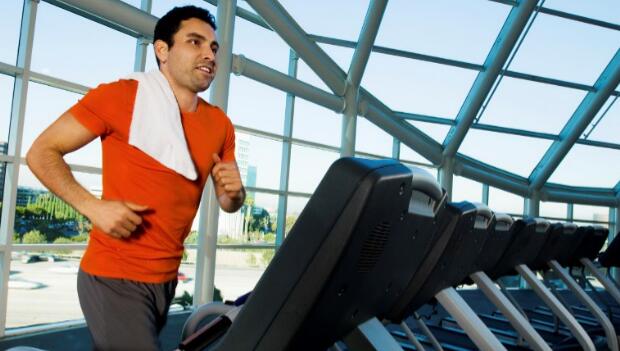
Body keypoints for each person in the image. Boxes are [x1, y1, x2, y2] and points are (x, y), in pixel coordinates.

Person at [26, 6, 245, 350]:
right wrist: (92, 207)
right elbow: (42, 151)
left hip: (165, 278)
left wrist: (236, 193)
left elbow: (228, 203)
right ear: (162, 50)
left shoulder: (220, 124)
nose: (209, 54)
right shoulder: (120, 96)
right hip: (114, 275)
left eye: (214, 47)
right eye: (195, 42)